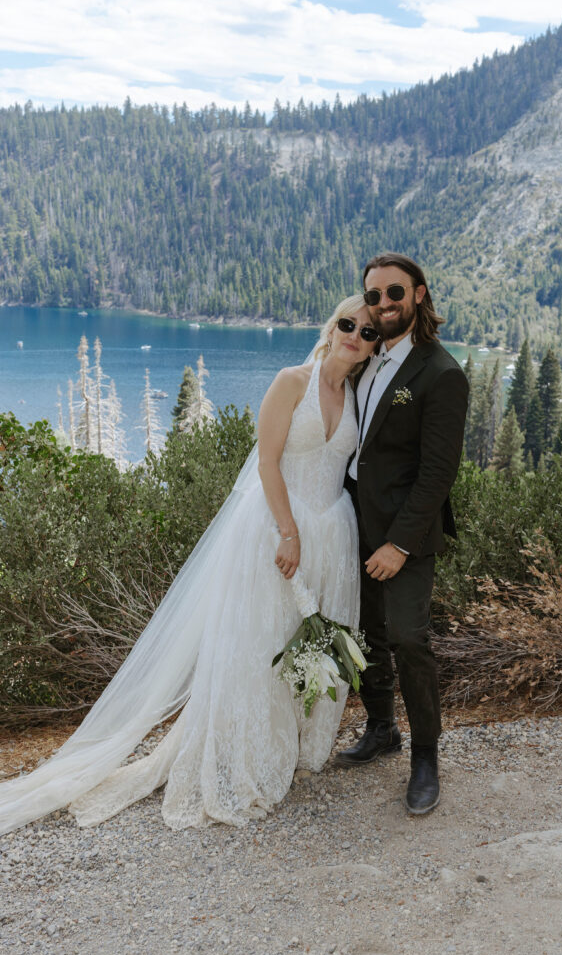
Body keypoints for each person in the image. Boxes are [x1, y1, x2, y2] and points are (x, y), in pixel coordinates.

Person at [0, 295, 380, 835]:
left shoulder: (356, 393)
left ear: (371, 348)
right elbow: (268, 462)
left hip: (333, 534)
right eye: (348, 324)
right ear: (332, 326)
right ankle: (249, 756)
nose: (354, 336)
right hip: (278, 531)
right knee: (261, 644)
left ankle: (297, 742)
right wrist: (289, 533)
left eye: (366, 332)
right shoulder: (292, 381)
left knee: (312, 641)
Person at [336, 252, 469, 816]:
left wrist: (399, 544)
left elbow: (438, 474)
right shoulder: (364, 357)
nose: (383, 304)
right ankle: (382, 728)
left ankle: (424, 758)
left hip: (403, 536)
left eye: (394, 293)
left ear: (418, 294)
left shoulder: (441, 373)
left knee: (410, 639)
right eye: (373, 295)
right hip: (350, 524)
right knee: (365, 632)